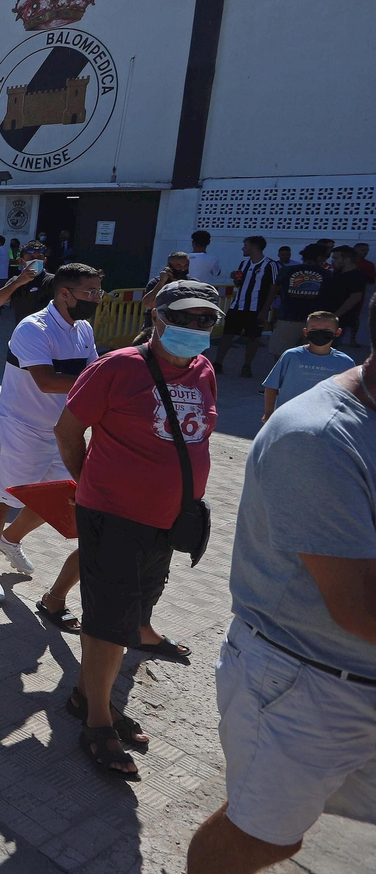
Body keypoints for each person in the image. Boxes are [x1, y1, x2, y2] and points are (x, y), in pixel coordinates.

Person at [186, 323, 376, 874]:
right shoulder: (319, 435)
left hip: (348, 677)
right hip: (310, 684)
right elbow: (359, 607)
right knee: (265, 838)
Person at [56, 280, 221, 779]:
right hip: (113, 515)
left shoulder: (204, 371)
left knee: (136, 607)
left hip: (167, 520)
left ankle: (87, 694)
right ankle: (98, 721)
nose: (195, 328)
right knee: (108, 620)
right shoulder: (119, 366)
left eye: (205, 320)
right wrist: (91, 485)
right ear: (158, 318)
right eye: (185, 317)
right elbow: (67, 431)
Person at [0, 263, 101, 611]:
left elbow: (92, 372)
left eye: (98, 292)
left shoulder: (84, 329)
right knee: (2, 499)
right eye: (90, 292)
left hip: (60, 432)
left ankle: (10, 539)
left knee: (60, 499)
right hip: (19, 430)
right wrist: (107, 386)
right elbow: (46, 381)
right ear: (64, 293)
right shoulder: (33, 328)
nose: (96, 299)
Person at [262, 311, 356, 422]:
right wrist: (269, 412)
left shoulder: (345, 362)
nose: (319, 333)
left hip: (325, 420)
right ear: (306, 332)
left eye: (326, 330)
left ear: (337, 332)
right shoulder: (291, 356)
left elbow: (352, 395)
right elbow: (271, 386)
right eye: (314, 330)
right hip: (288, 417)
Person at [213, 236, 276, 377]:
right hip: (237, 306)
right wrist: (235, 279)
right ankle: (217, 364)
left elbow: (273, 288)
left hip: (256, 308)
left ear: (253, 247)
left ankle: (246, 366)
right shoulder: (244, 263)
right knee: (227, 335)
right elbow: (239, 284)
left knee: (253, 338)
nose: (243, 248)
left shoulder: (270, 265)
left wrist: (265, 309)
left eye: (245, 245)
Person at [271, 244, 336, 359]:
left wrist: (267, 309)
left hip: (288, 317)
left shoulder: (287, 270)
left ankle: (282, 375)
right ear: (320, 257)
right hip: (315, 320)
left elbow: (274, 290)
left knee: (281, 353)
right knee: (311, 355)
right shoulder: (327, 274)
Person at [0, 241, 50, 322]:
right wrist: (18, 282)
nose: (35, 261)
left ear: (44, 261)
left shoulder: (52, 281)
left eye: (39, 258)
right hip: (22, 331)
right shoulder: (16, 281)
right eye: (31, 258)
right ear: (21, 261)